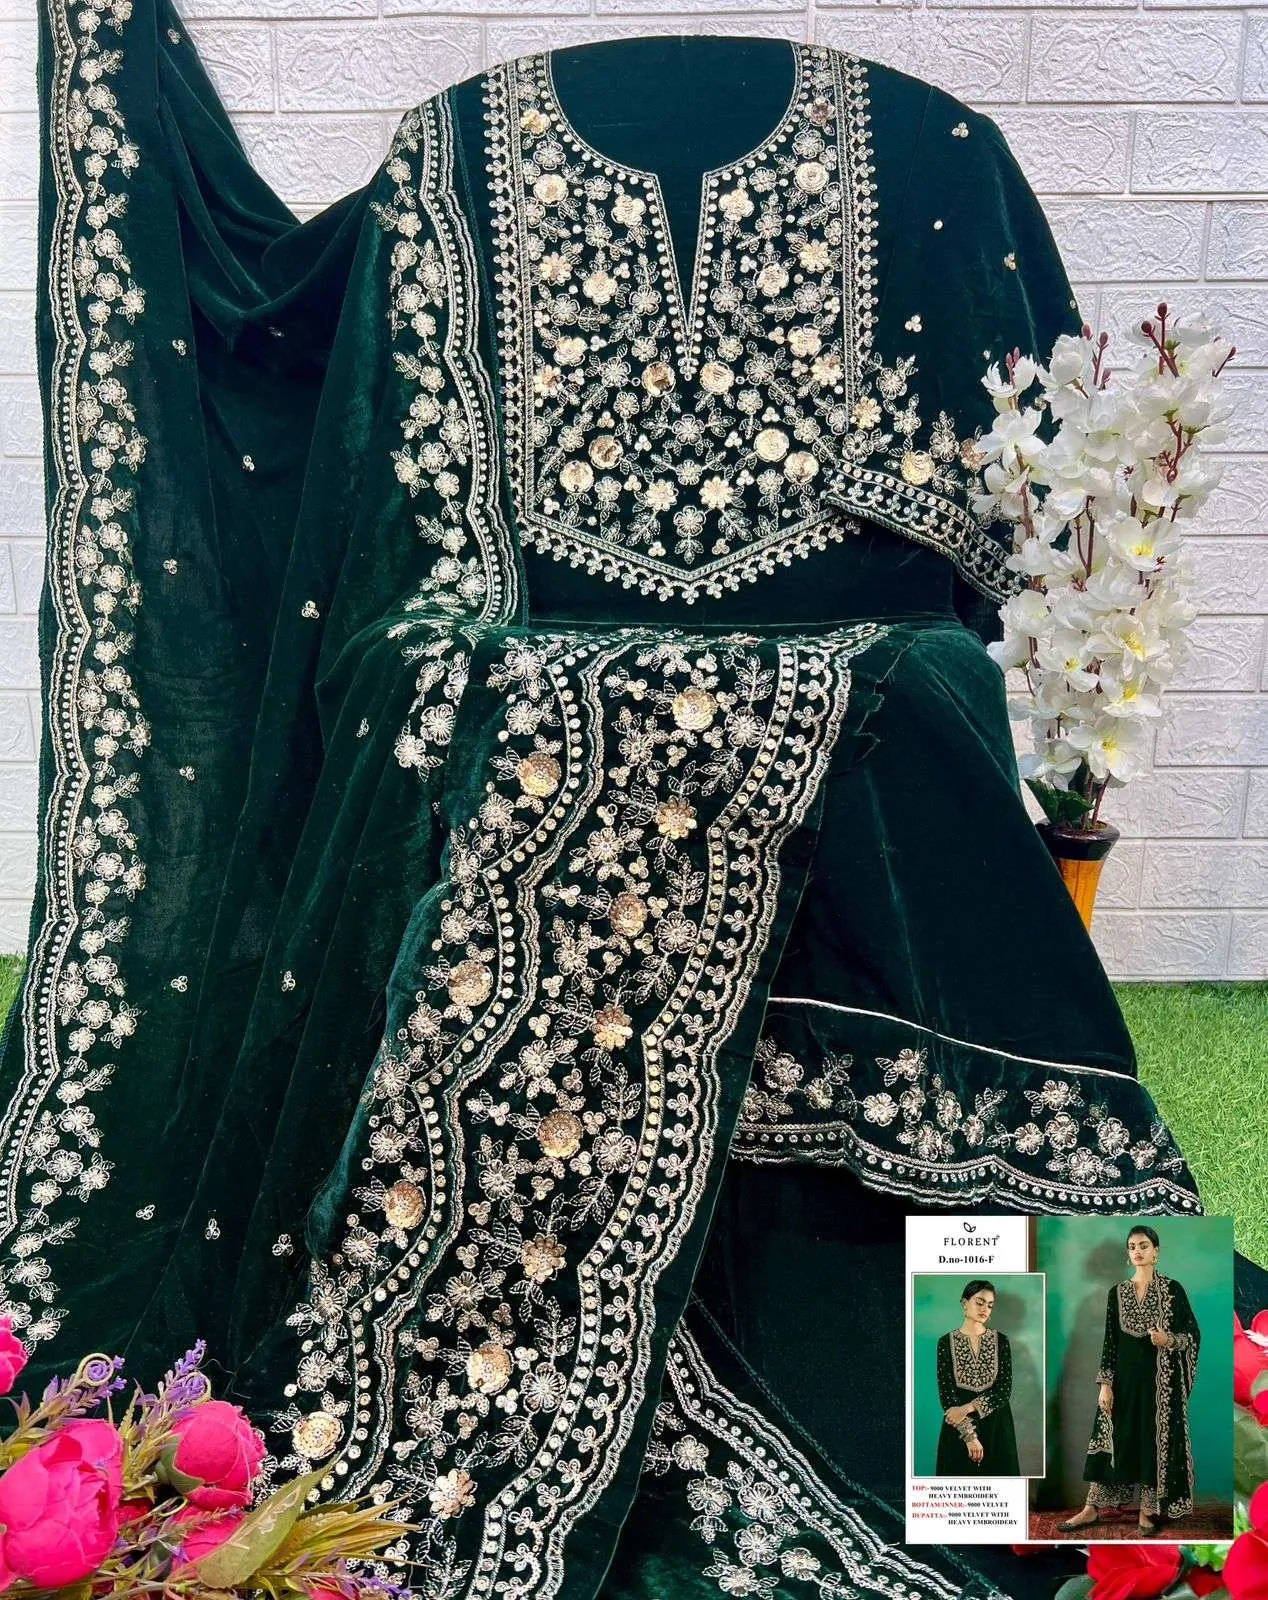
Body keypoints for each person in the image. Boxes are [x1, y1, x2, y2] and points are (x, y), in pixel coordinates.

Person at [1, 19, 1218, 1600]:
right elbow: (386, 560)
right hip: (528, 647)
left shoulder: (940, 162)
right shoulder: (449, 173)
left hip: (864, 669)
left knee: (922, 691)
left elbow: (1024, 543)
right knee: (517, 695)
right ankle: (1065, 1457)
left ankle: (1085, 1446)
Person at [1058, 1226, 1201, 1535]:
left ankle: (1148, 1509)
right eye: (1132, 1246)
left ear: (1156, 1251)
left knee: (1151, 1439)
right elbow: (1110, 1342)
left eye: (1144, 1245)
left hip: (1159, 1384)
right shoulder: (1117, 1293)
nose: (1137, 1251)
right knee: (1112, 1438)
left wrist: (1168, 1340)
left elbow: (1191, 1335)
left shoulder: (1172, 1290)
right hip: (1122, 1381)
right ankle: (1091, 1508)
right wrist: (1105, 1385)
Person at [935, 1280, 1021, 1475]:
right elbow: (947, 1395)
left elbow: (1003, 1390)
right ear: (964, 1303)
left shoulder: (1001, 1341)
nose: (985, 1309)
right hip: (959, 1426)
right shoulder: (945, 1342)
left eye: (990, 1305)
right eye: (979, 1302)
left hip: (996, 1426)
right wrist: (969, 1436)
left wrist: (967, 1408)